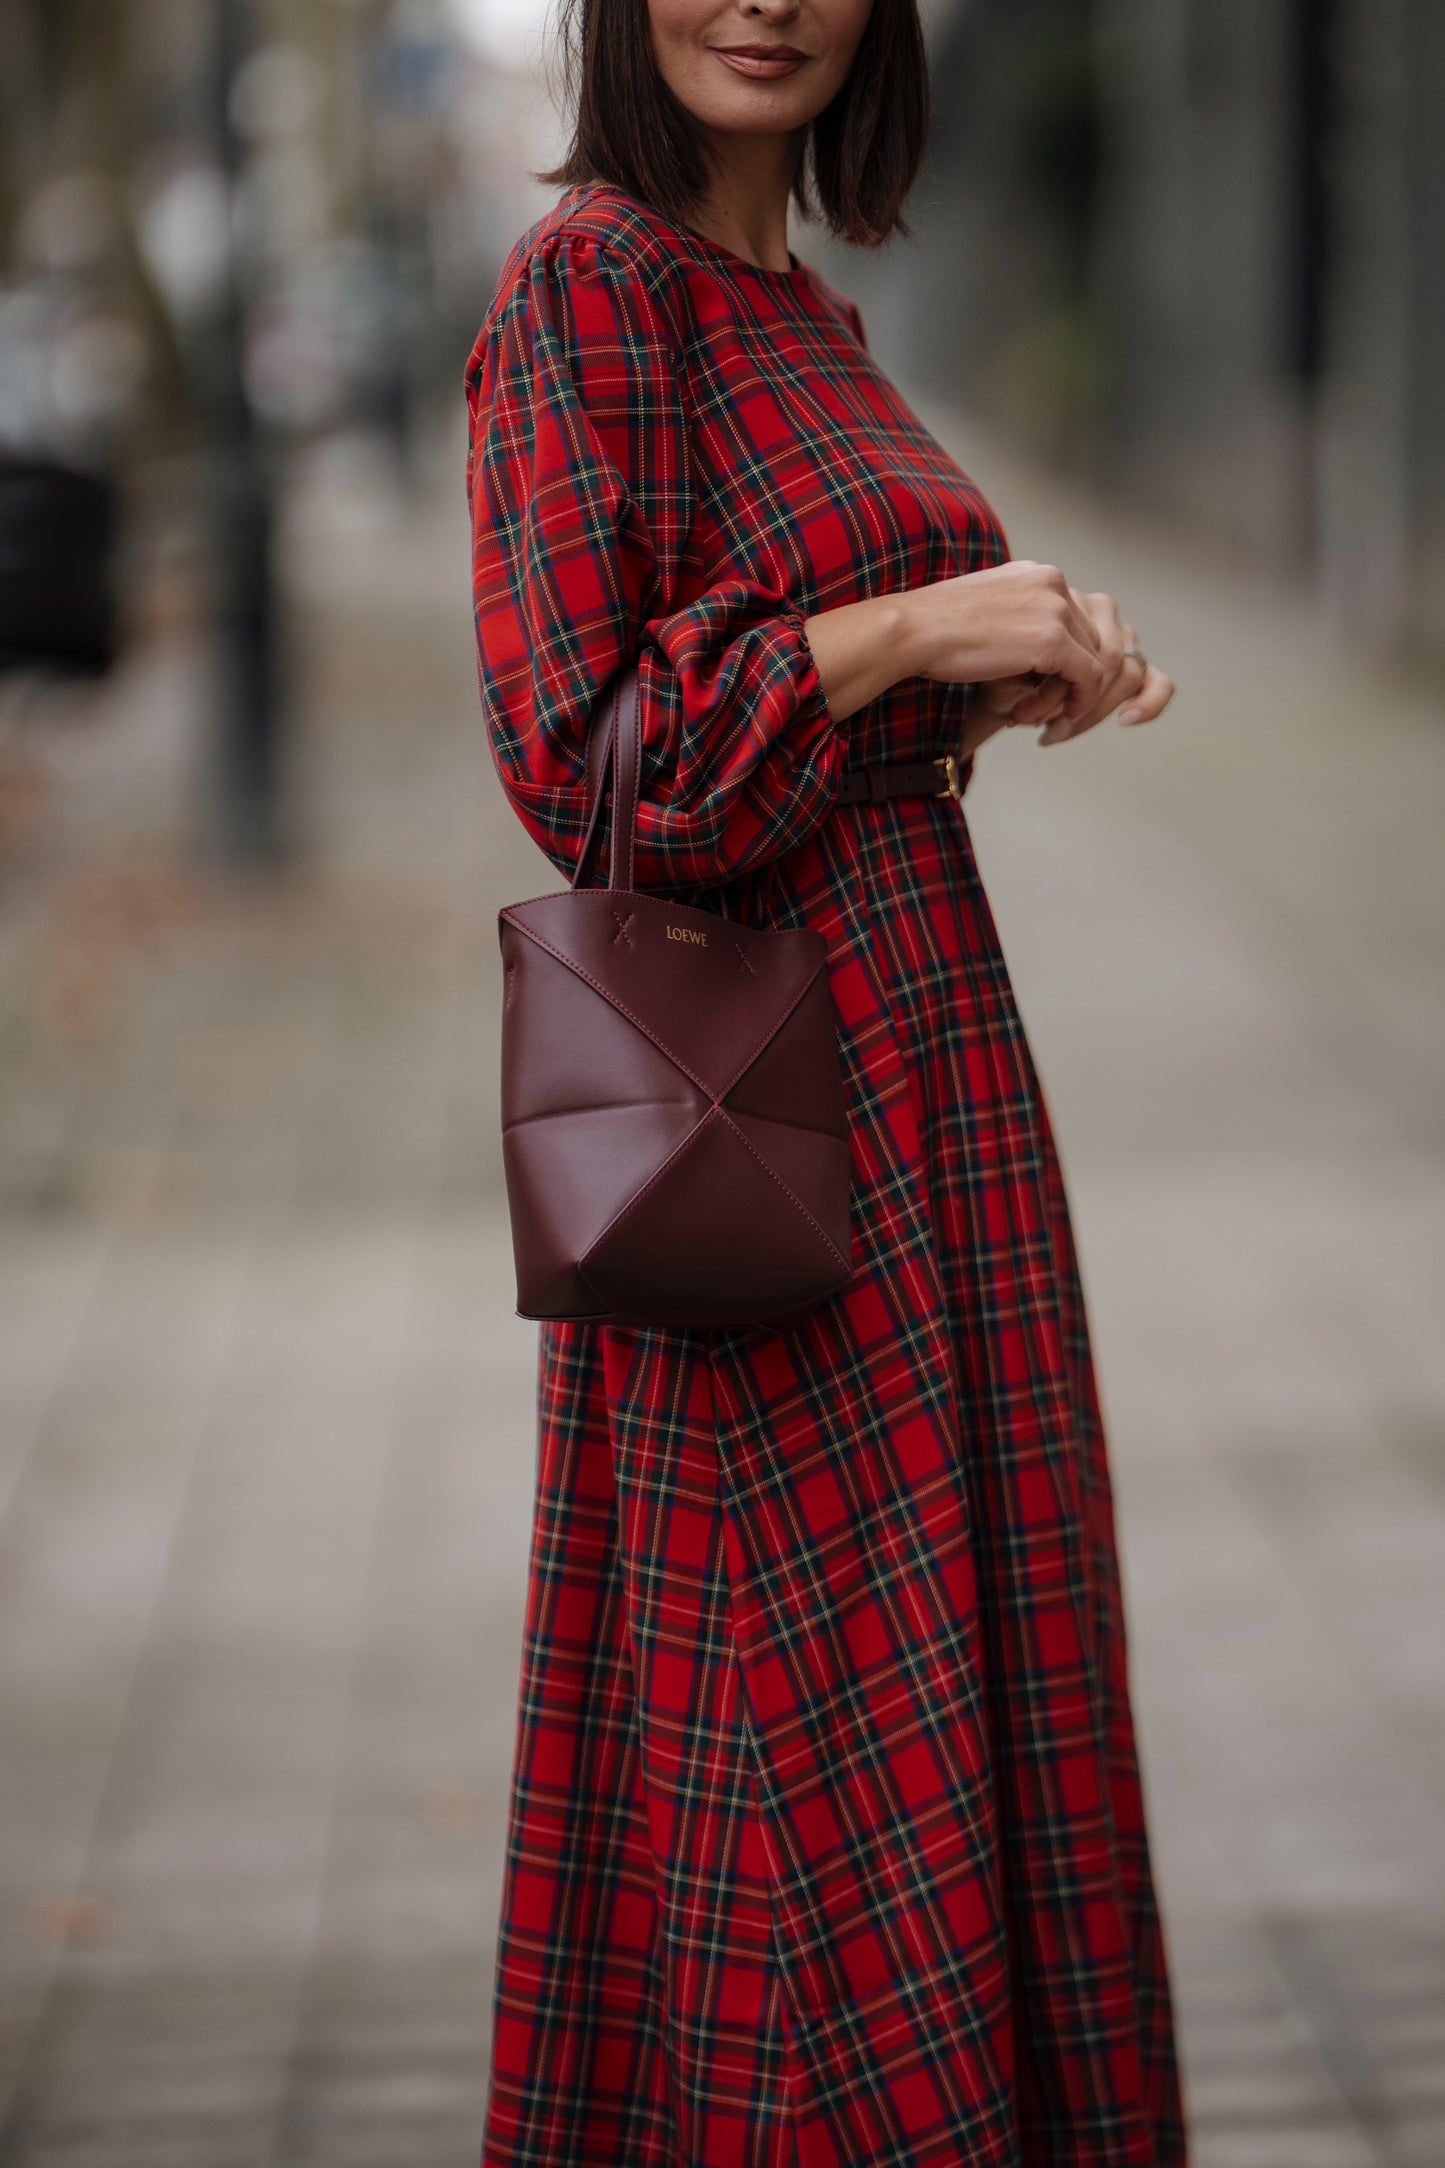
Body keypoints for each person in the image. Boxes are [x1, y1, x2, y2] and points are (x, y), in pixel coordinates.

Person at [464, 0, 1186, 2151]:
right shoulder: (591, 287)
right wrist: (911, 632)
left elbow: (795, 706)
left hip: (926, 1087)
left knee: (956, 1690)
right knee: (806, 1753)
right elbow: (587, 770)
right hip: (749, 1116)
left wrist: (999, 674)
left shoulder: (805, 308)